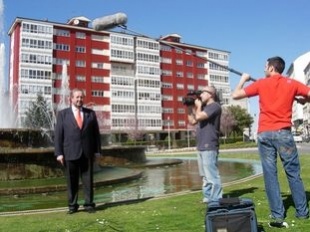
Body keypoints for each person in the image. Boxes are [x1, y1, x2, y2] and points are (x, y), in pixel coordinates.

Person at [232, 56, 310, 228]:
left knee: (270, 175)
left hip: (265, 133)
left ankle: (277, 214)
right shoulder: (292, 83)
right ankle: (302, 212)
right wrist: (305, 100)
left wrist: (243, 80)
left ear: (272, 68)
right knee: (293, 173)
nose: (264, 68)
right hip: (283, 133)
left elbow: (235, 95)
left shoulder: (261, 83)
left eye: (266, 66)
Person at [54, 88, 101, 214]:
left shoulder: (90, 114)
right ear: (71, 98)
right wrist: (59, 153)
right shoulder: (63, 114)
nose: (79, 99)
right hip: (70, 153)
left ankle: (89, 204)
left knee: (88, 181)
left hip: (87, 153)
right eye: (77, 97)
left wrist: (97, 151)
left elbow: (96, 134)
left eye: (81, 97)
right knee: (71, 181)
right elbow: (58, 135)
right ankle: (72, 205)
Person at [187, 86, 223, 204]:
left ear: (211, 94)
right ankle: (208, 197)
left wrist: (197, 107)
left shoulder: (214, 107)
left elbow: (198, 116)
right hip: (201, 145)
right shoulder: (204, 108)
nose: (201, 95)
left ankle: (216, 198)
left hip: (209, 145)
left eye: (203, 92)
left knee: (212, 175)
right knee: (205, 176)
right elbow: (193, 121)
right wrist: (189, 108)